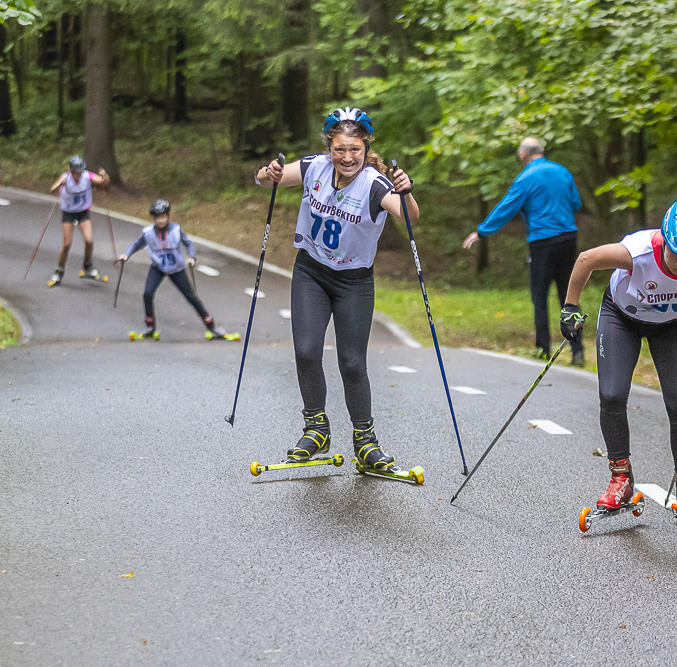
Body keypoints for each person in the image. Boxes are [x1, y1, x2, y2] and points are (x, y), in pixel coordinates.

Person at [255, 107, 415, 473]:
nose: (347, 158)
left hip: (353, 283)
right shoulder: (314, 167)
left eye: (355, 150)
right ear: (330, 147)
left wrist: (406, 193)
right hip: (311, 271)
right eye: (340, 149)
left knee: (352, 363)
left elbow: (409, 218)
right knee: (307, 351)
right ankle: (316, 428)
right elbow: (265, 179)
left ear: (365, 147)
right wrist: (270, 172)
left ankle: (366, 441)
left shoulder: (375, 183)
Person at [559, 197, 677, 521]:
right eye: (676, 254)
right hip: (621, 318)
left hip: (671, 326)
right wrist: (570, 308)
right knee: (611, 395)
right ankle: (620, 480)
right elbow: (585, 260)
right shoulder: (636, 253)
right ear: (665, 240)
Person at [462, 138, 584, 365]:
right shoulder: (563, 171)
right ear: (542, 151)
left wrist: (482, 232)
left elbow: (506, 208)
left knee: (540, 297)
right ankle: (577, 351)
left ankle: (543, 350)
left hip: (542, 242)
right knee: (569, 297)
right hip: (568, 239)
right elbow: (576, 204)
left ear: (522, 155)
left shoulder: (525, 178)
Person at [118, 199, 237, 341]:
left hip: (177, 268)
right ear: (153, 218)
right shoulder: (148, 232)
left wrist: (191, 257)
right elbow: (136, 244)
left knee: (191, 296)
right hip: (158, 267)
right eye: (158, 218)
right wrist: (126, 255)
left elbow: (188, 243)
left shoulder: (176, 230)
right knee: (147, 293)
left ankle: (212, 326)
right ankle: (150, 327)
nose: (161, 221)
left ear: (168, 216)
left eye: (163, 217)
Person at [47, 155, 109, 286]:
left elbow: (103, 181)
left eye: (79, 173)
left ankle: (87, 266)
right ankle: (59, 271)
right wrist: (60, 184)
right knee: (67, 244)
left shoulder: (87, 176)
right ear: (71, 171)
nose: (77, 176)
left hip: (82, 212)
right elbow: (52, 190)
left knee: (89, 240)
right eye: (75, 173)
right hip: (68, 213)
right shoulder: (66, 177)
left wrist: (104, 176)